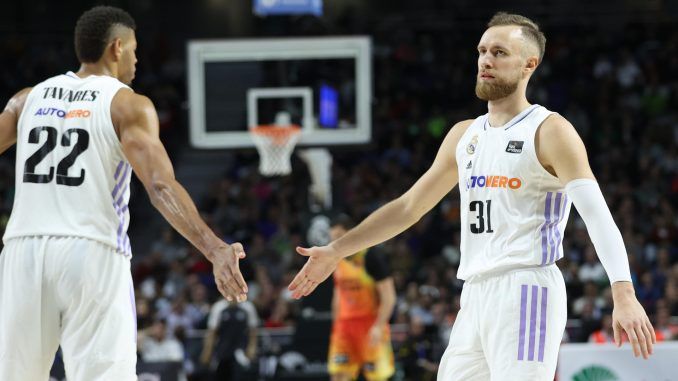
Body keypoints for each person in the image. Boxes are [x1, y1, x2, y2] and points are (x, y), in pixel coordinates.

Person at [289, 12, 656, 380]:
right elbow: (408, 207)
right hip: (475, 293)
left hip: (526, 289)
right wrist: (338, 250)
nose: (486, 60)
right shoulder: (464, 135)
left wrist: (623, 292)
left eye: (499, 52)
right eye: (482, 51)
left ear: (530, 64)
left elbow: (596, 213)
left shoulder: (550, 130)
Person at [0, 6, 248, 381]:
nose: (136, 57)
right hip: (91, 249)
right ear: (116, 48)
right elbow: (160, 186)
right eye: (134, 48)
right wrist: (214, 248)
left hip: (22, 252)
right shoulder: (127, 104)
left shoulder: (25, 99)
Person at [327, 215, 396, 381]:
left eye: (339, 237)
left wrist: (379, 326)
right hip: (344, 326)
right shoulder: (336, 259)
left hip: (370, 324)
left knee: (376, 377)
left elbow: (389, 297)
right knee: (338, 375)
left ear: (351, 233)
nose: (335, 242)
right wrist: (336, 326)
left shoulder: (371, 256)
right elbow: (338, 295)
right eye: (332, 238)